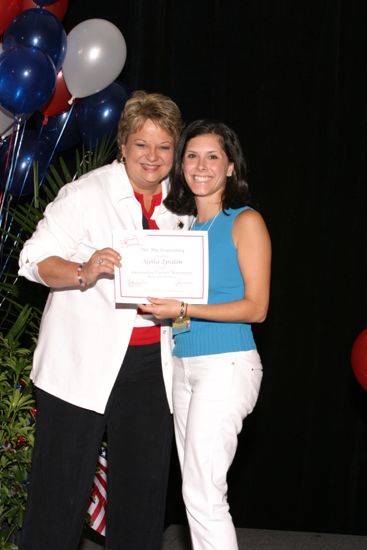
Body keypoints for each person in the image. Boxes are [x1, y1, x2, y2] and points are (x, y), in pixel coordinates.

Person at [18, 91, 192, 550]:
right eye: (141, 145)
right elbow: (32, 260)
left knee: (142, 495)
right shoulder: (85, 194)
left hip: (152, 367)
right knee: (59, 495)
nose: (152, 157)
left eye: (163, 147)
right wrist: (84, 270)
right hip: (80, 365)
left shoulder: (186, 203)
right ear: (123, 145)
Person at [139, 119, 272, 550]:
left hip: (226, 365)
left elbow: (257, 307)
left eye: (212, 156)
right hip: (183, 365)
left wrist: (183, 308)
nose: (201, 165)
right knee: (194, 492)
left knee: (203, 493)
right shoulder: (183, 230)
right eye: (192, 156)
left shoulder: (245, 221)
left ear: (231, 166)